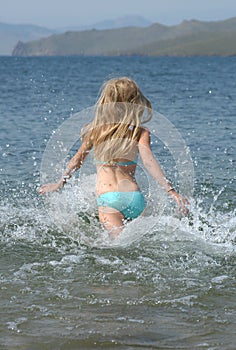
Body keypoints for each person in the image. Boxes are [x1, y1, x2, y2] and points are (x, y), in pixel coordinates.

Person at [39, 77, 189, 238]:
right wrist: (171, 191)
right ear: (134, 103)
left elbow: (77, 160)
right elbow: (149, 161)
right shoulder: (139, 131)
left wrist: (59, 184)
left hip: (108, 199)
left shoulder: (95, 131)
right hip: (135, 199)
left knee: (117, 246)